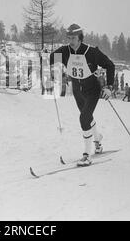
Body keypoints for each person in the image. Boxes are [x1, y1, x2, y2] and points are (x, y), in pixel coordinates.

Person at [50, 24, 115, 167]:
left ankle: (87, 155)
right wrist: (51, 69)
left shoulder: (91, 52)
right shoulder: (65, 51)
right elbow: (51, 58)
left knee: (84, 117)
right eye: (69, 38)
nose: (70, 41)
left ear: (80, 38)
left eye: (73, 38)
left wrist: (109, 86)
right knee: (87, 117)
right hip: (77, 91)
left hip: (92, 89)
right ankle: (98, 140)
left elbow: (110, 65)